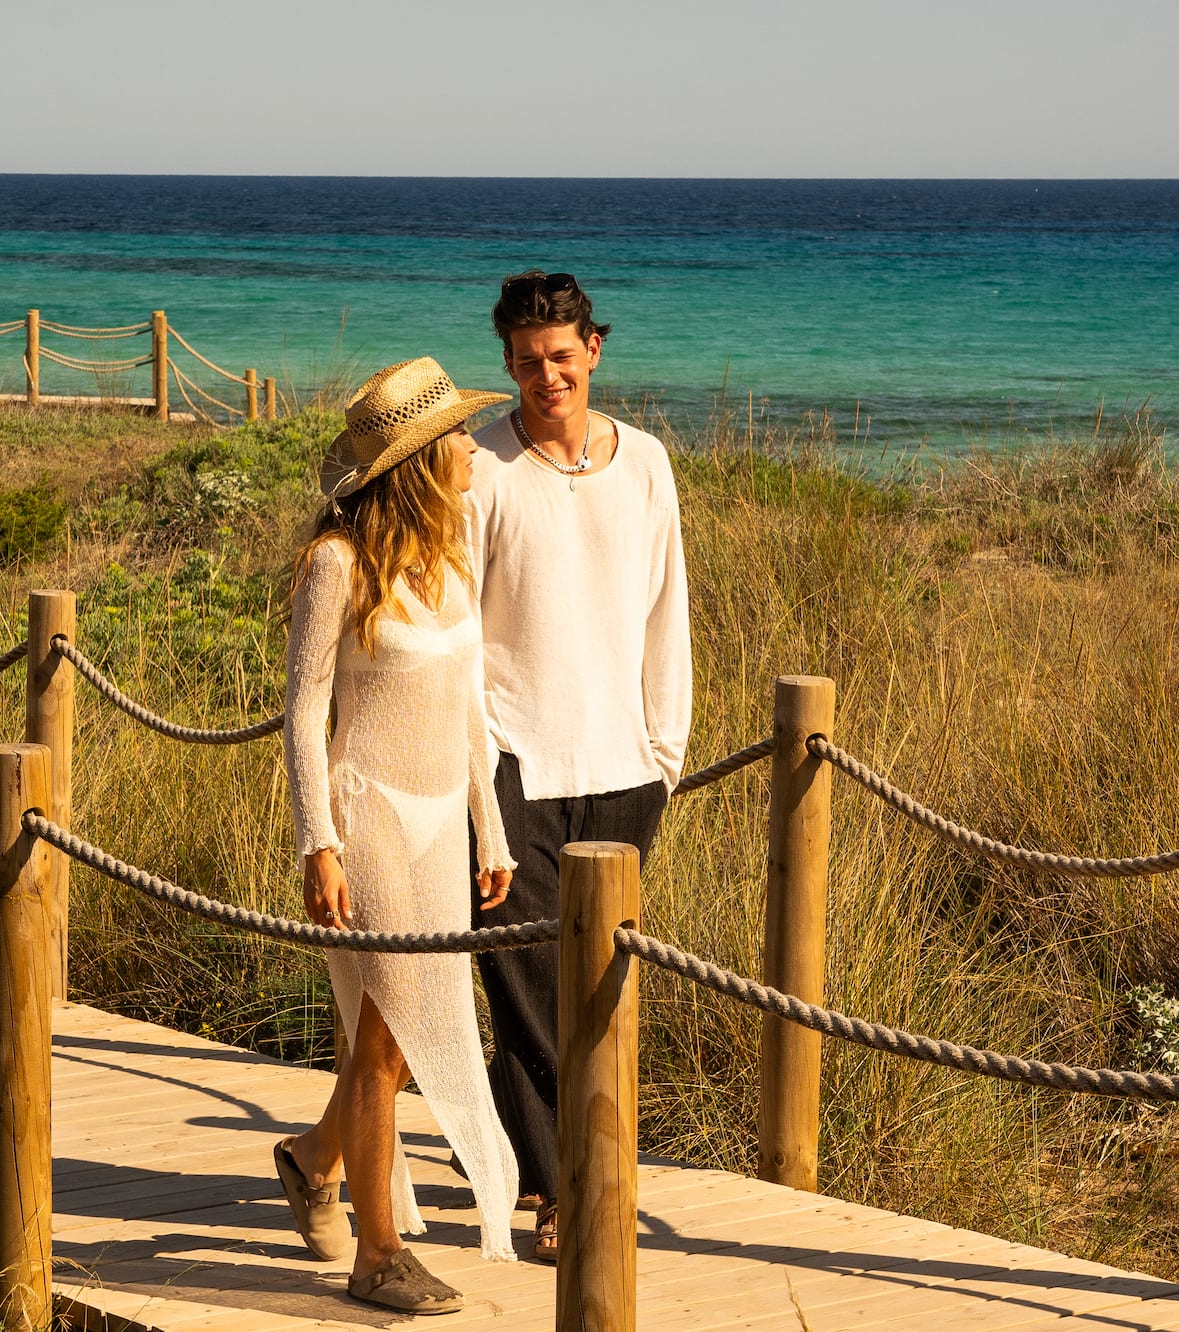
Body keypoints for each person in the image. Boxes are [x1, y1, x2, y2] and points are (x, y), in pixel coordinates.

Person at [274, 357, 524, 1314]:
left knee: (402, 1035)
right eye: (457, 434)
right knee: (386, 1040)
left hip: (439, 827)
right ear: (419, 459)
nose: (472, 444)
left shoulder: (451, 547)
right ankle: (376, 1257)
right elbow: (303, 714)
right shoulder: (337, 563)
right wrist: (318, 841)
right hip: (371, 814)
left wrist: (489, 830)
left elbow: (467, 708)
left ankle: (312, 1158)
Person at [466, 270, 692, 1264]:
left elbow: (665, 611)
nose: (545, 376)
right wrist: (477, 783)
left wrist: (663, 756)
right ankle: (562, 1191)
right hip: (510, 767)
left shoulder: (643, 462)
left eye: (561, 356)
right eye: (525, 361)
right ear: (506, 363)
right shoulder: (474, 465)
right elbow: (457, 635)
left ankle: (566, 1168)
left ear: (593, 348)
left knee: (596, 986)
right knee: (520, 987)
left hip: (620, 769)